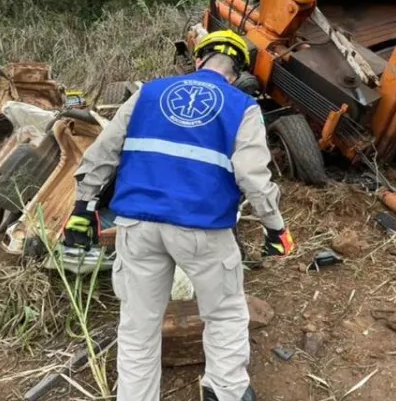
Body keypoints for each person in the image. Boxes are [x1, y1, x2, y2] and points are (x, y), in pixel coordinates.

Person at [65, 30, 292, 401]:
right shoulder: (242, 107)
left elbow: (104, 151)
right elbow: (252, 176)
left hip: (137, 226)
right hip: (203, 230)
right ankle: (225, 392)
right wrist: (274, 228)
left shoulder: (147, 93)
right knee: (224, 315)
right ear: (237, 73)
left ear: (198, 60)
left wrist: (82, 208)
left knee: (138, 327)